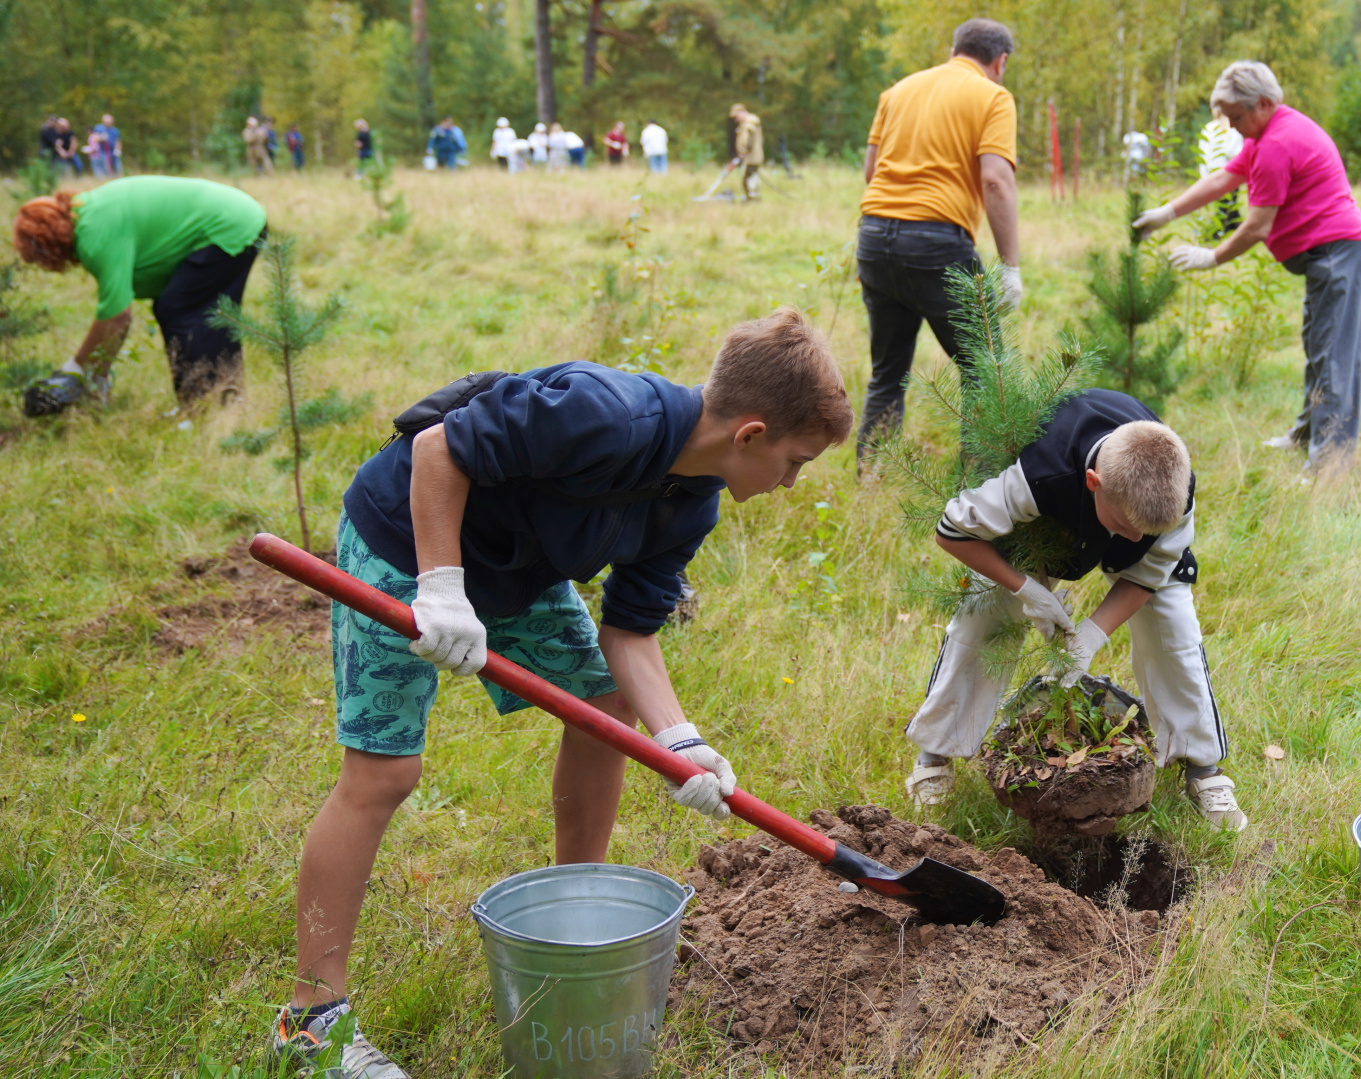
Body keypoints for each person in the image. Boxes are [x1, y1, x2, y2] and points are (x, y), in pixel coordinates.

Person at [268, 309, 853, 1079]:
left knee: (608, 713)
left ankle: (573, 929)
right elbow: (439, 450)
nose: (789, 483)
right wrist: (443, 588)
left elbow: (632, 632)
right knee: (383, 775)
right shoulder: (605, 414)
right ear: (749, 434)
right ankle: (311, 1027)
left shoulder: (694, 499)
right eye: (795, 462)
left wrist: (676, 736)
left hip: (517, 570)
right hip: (407, 536)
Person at [903, 391, 1244, 831]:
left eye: (1145, 534)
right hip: (1042, 530)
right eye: (1125, 529)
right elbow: (952, 531)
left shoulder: (1173, 492)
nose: (1134, 539)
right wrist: (1026, 588)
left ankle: (1202, 767)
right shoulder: (1041, 473)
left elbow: (1149, 573)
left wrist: (1094, 634)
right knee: (984, 614)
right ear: (1092, 482)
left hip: (1125, 515)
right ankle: (936, 750)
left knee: (1173, 629)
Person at [1134, 61, 1361, 477]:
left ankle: (1327, 468)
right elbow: (1222, 179)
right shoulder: (1267, 134)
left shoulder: (1278, 142)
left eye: (1236, 117)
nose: (1232, 126)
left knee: (1333, 355)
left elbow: (1257, 226)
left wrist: (1211, 257)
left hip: (1335, 252)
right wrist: (1166, 213)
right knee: (1318, 344)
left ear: (1262, 104)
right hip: (1325, 255)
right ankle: (1304, 436)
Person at [853, 18, 1021, 460]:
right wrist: (1010, 267)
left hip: (873, 239)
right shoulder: (993, 97)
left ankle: (872, 480)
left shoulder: (897, 91)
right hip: (936, 244)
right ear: (1000, 61)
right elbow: (997, 182)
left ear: (955, 49)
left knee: (887, 373)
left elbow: (872, 173)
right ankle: (976, 495)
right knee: (986, 371)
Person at [11, 177, 268, 416]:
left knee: (179, 311)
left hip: (230, 226)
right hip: (239, 217)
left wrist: (74, 370)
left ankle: (198, 409)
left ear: (48, 246)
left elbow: (116, 316)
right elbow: (116, 324)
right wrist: (97, 375)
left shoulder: (94, 234)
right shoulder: (88, 211)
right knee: (204, 313)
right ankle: (228, 403)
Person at [729, 103, 764, 199]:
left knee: (749, 179)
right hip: (751, 157)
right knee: (749, 177)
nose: (736, 119)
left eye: (736, 116)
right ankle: (751, 197)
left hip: (752, 157)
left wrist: (744, 151)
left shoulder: (749, 124)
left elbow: (748, 139)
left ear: (742, 112)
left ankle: (752, 198)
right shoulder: (750, 123)